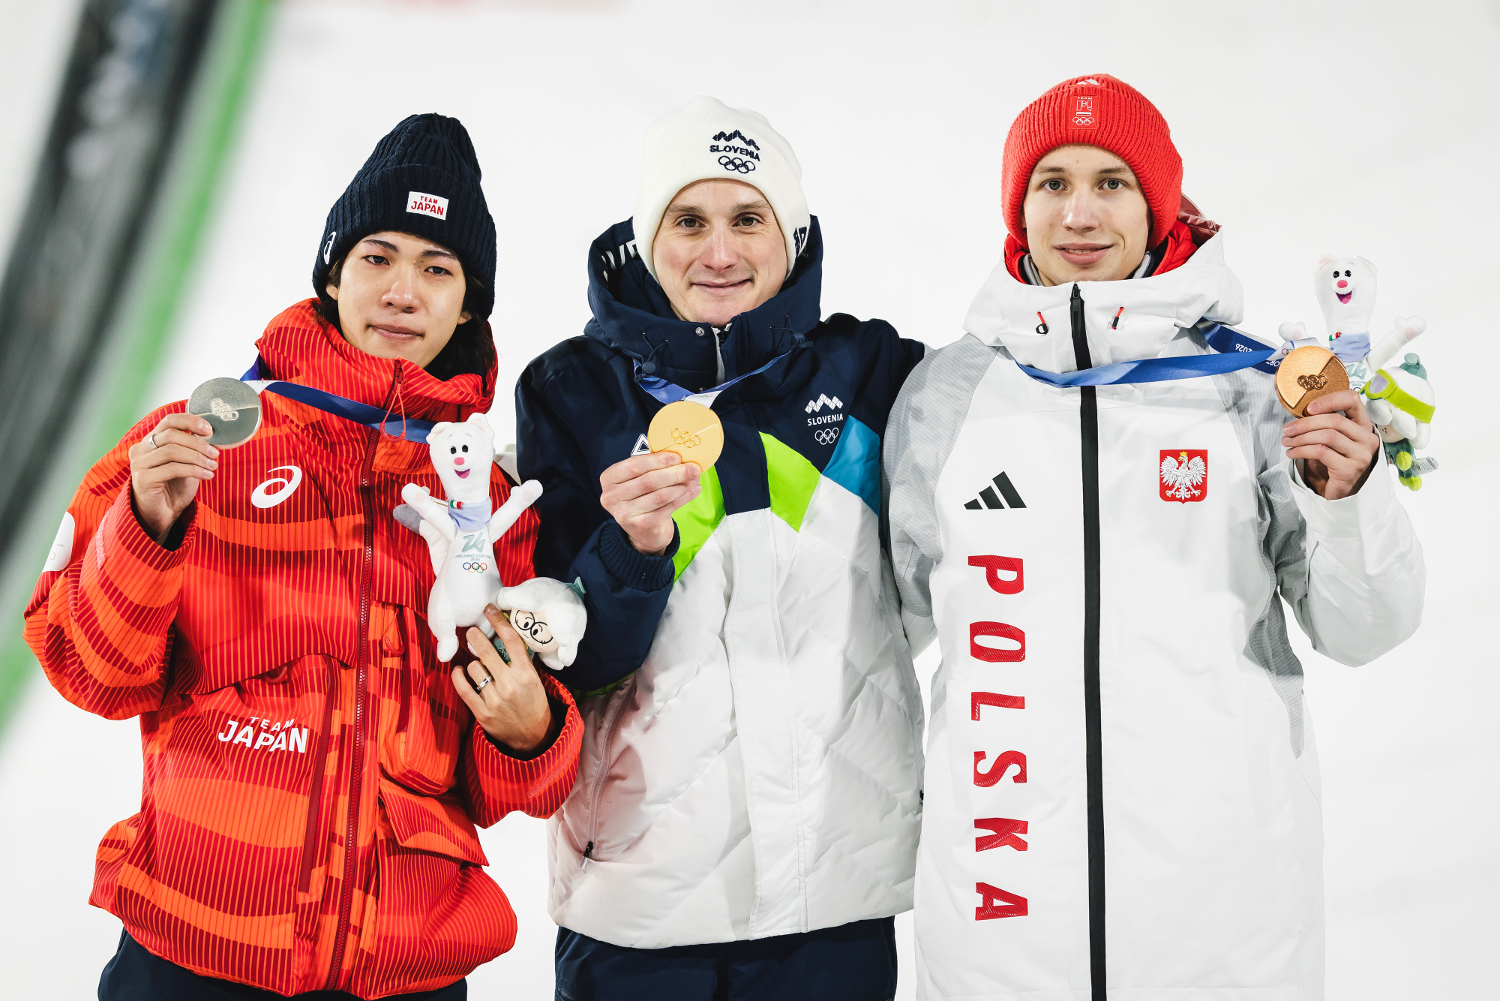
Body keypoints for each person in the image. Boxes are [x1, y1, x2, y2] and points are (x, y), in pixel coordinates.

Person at [884, 74, 1425, 1000]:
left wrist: (1353, 495)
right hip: (1003, 916)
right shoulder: (948, 395)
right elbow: (882, 629)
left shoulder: (1247, 387)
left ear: (1157, 203)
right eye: (1052, 182)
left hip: (1223, 917)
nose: (1081, 211)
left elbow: (1364, 628)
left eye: (1113, 182)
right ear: (1019, 208)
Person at [24, 114, 582, 1000]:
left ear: (470, 304)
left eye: (438, 269)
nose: (403, 290)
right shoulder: (198, 446)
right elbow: (92, 673)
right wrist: (146, 527)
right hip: (194, 953)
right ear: (333, 271)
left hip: (409, 970)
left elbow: (510, 780)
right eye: (378, 256)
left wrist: (533, 732)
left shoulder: (485, 502)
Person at [516, 96, 926, 1001]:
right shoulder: (572, 391)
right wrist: (629, 550)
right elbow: (569, 664)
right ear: (643, 236)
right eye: (688, 221)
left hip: (837, 900)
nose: (719, 252)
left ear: (794, 233)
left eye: (749, 219)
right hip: (637, 908)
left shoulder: (872, 373)